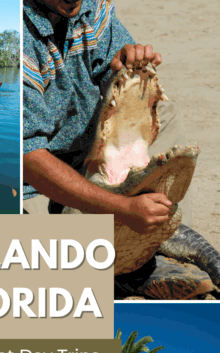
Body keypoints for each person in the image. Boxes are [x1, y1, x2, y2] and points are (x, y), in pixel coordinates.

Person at [23, 0, 172, 235]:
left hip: (86, 158)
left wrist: (126, 71)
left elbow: (114, 80)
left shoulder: (89, 7)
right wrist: (122, 208)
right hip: (29, 186)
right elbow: (29, 157)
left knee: (161, 110)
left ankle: (157, 225)